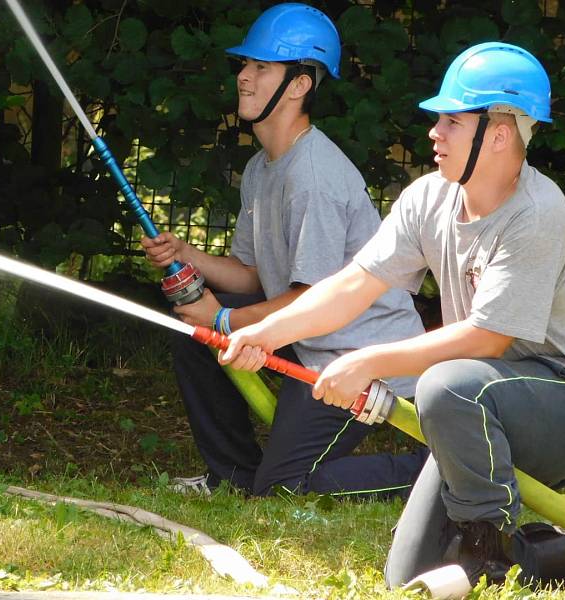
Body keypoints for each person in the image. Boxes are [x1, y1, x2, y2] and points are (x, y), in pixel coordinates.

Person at [220, 41, 565, 587]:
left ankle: (488, 555)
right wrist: (266, 331)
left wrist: (367, 361)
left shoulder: (538, 214)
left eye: (452, 121)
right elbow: (353, 285)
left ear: (498, 134)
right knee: (405, 573)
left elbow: (487, 340)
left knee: (446, 385)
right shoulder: (427, 197)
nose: (434, 133)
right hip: (477, 406)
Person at [141, 3, 427, 498]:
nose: (244, 78)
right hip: (309, 336)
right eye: (246, 65)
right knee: (193, 337)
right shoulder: (262, 167)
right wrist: (186, 252)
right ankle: (232, 477)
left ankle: (435, 475)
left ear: (299, 85)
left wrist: (226, 322)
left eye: (262, 67)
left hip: (355, 356)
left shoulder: (314, 178)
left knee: (284, 487)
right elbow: (253, 275)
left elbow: (308, 298)